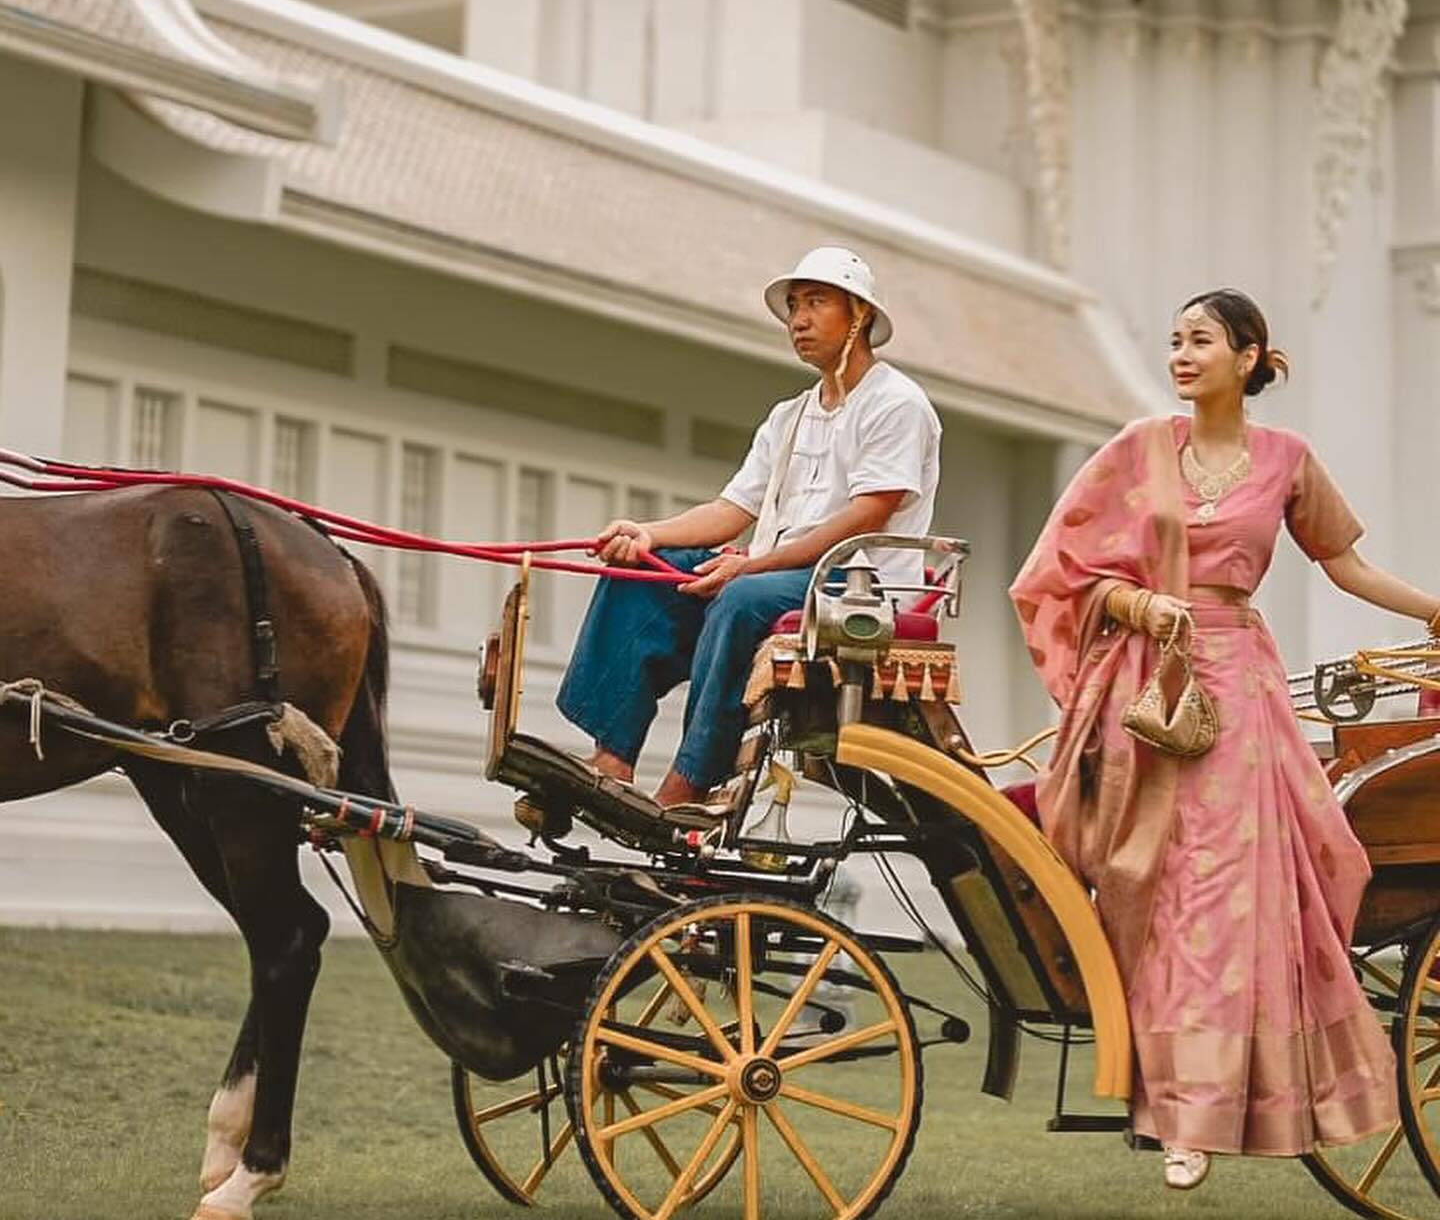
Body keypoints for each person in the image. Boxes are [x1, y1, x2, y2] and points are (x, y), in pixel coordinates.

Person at [1010, 288, 1440, 1191]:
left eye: (1200, 340)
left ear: (1248, 357)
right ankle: (1160, 1095)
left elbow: (1346, 564)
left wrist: (1437, 609)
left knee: (1228, 896)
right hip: (1145, 693)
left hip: (1237, 694)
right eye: (1173, 339)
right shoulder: (1137, 450)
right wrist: (1137, 601)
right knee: (1152, 886)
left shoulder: (1287, 460)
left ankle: (1199, 1116)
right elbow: (1061, 573)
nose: (1181, 354)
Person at [558, 246, 941, 809]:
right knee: (641, 572)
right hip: (783, 575)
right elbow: (732, 509)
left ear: (858, 315)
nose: (799, 320)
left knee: (742, 595)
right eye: (793, 307)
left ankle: (693, 778)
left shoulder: (897, 404)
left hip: (859, 589)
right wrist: (648, 534)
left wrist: (751, 565)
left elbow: (867, 515)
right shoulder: (789, 416)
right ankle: (613, 757)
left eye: (816, 303)